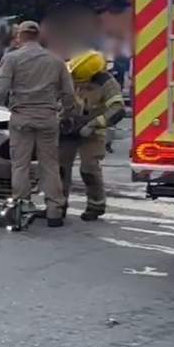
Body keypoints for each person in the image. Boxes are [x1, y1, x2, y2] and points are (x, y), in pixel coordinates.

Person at [0, 20, 76, 227]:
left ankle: (20, 206)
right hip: (48, 118)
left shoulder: (12, 58)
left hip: (22, 118)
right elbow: (69, 94)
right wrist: (66, 113)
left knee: (20, 165)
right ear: (38, 36)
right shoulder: (56, 61)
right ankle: (54, 210)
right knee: (50, 165)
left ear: (20, 37)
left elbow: (0, 89)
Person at [59, 50, 126, 221]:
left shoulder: (106, 82)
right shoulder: (68, 74)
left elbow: (117, 109)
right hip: (67, 128)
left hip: (93, 131)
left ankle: (96, 205)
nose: (78, 84)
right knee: (60, 168)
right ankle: (57, 205)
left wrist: (94, 124)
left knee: (89, 168)